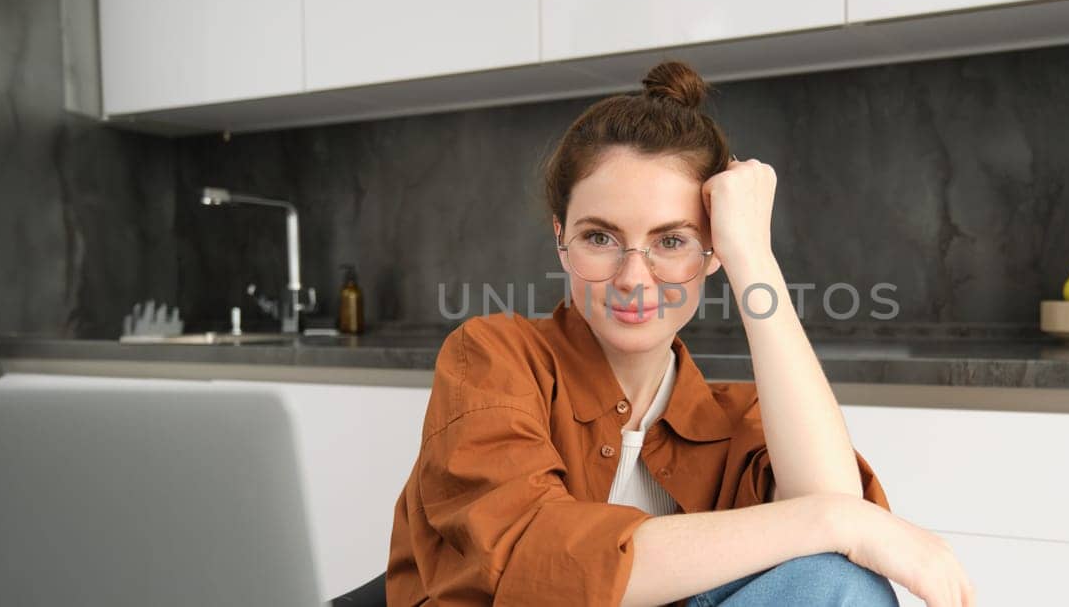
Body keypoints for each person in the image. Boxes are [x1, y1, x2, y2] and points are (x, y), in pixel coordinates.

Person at [386, 60, 974, 607]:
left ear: (711, 251)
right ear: (561, 240)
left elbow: (831, 532)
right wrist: (836, 520)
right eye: (600, 238)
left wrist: (754, 259)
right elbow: (530, 557)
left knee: (836, 579)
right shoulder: (491, 358)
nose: (633, 280)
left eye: (672, 241)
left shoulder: (734, 421)